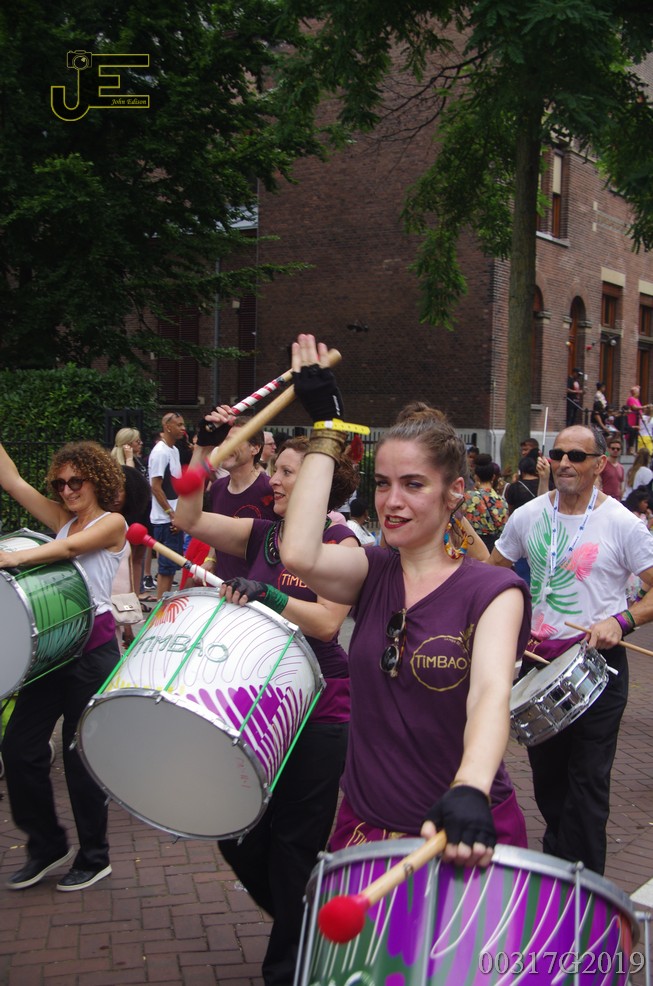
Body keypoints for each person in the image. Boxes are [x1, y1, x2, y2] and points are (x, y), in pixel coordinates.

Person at [280, 334, 531, 877]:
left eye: (414, 485)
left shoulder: (493, 591)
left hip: (458, 831)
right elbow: (298, 552)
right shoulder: (371, 570)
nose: (392, 502)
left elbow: (490, 694)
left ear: (454, 492)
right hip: (366, 826)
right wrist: (327, 428)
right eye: (383, 484)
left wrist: (470, 787)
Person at [175, 424, 359, 986]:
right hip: (257, 700)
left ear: (318, 483)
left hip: (318, 708)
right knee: (236, 831)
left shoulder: (341, 542)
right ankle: (306, 924)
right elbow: (188, 519)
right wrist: (203, 450)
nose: (273, 479)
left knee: (296, 843)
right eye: (275, 469)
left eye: (286, 472)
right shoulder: (262, 534)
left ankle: (286, 968)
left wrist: (272, 596)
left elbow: (326, 623)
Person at [490, 424, 653, 875]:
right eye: (558, 453)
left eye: (577, 456)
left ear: (600, 464)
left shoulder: (622, 523)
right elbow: (494, 571)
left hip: (597, 665)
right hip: (539, 665)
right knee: (549, 782)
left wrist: (621, 621)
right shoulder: (528, 515)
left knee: (587, 781)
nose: (564, 463)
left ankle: (581, 891)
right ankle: (561, 865)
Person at [0, 440, 127, 891]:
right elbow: (12, 480)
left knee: (79, 759)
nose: (67, 490)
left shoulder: (112, 523)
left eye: (77, 481)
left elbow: (70, 549)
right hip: (54, 653)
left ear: (97, 479)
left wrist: (14, 557)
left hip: (93, 654)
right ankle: (47, 845)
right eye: (59, 483)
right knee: (19, 748)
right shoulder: (63, 519)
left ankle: (95, 857)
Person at [207, 414, 277, 582]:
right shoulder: (217, 488)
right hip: (224, 586)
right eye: (223, 441)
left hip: (261, 590)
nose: (224, 447)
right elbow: (217, 531)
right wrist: (211, 560)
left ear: (255, 448)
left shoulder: (271, 489)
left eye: (234, 441)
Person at [148, 412, 186, 599]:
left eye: (183, 424)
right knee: (165, 566)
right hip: (165, 520)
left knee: (171, 566)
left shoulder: (174, 450)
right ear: (167, 427)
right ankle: (160, 606)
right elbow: (155, 486)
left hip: (173, 517)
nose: (183, 428)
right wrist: (171, 514)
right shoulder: (160, 452)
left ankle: (165, 603)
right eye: (179, 425)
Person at [111, 428, 150, 596]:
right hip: (130, 515)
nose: (140, 444)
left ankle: (137, 592)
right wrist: (128, 459)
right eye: (137, 441)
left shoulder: (138, 460)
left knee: (139, 556)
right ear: (127, 444)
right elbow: (130, 484)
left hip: (143, 512)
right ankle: (129, 594)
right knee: (129, 557)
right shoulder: (117, 464)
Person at [461, 452, 509, 553]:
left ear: (476, 477)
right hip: (492, 548)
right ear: (493, 477)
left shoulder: (468, 497)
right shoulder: (501, 501)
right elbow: (504, 530)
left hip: (471, 545)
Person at [626, 385, 645, 453]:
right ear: (635, 392)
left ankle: (634, 449)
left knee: (636, 433)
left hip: (637, 419)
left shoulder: (637, 400)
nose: (639, 393)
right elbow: (634, 407)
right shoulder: (631, 399)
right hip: (632, 418)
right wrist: (644, 407)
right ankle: (629, 449)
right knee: (631, 432)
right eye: (638, 391)